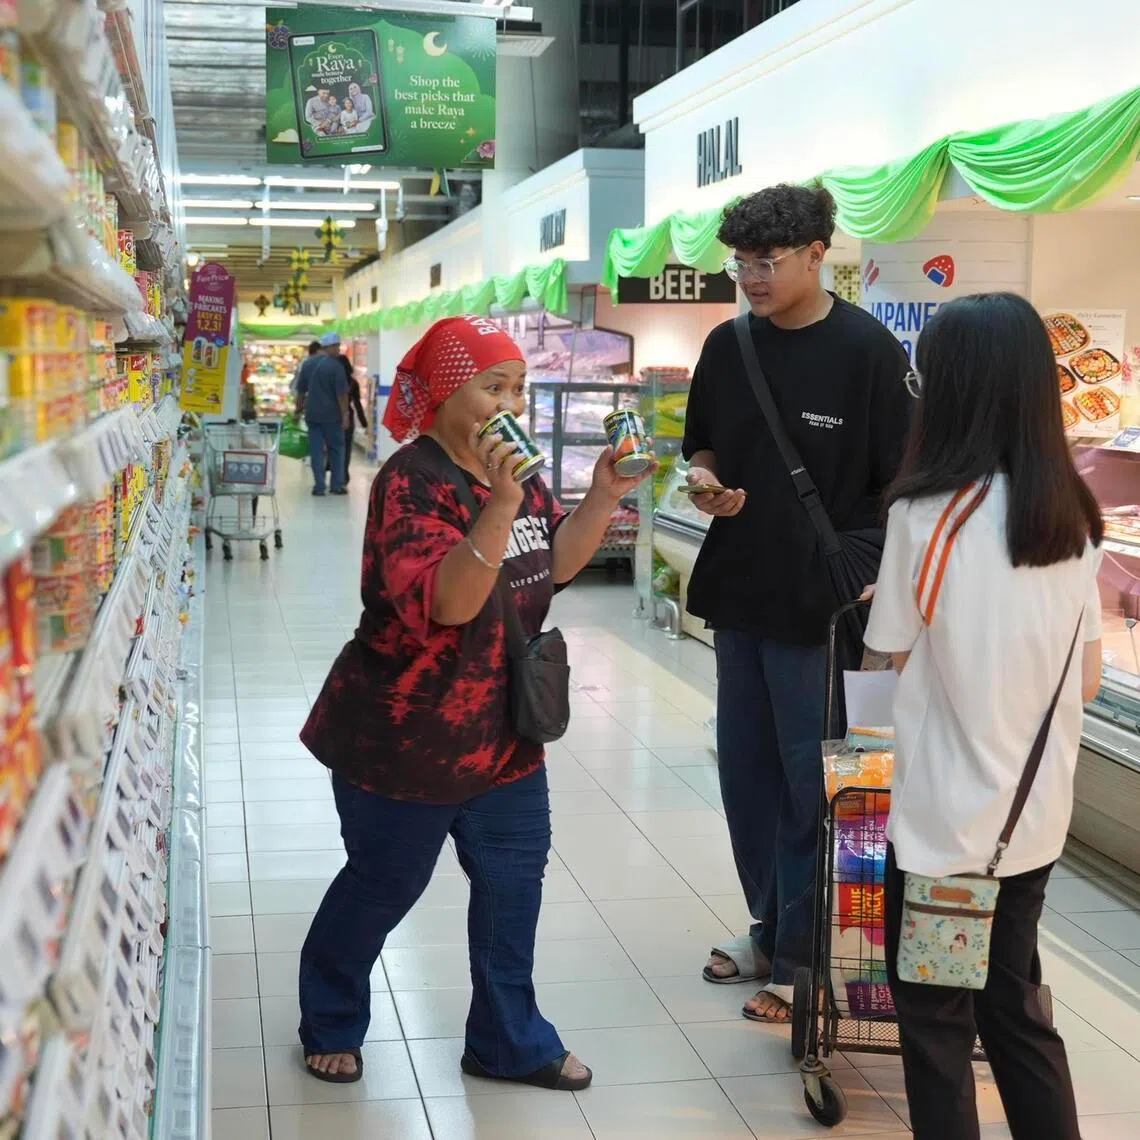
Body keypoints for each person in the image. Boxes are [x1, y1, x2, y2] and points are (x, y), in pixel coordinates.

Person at [296, 315, 653, 1088]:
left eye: (516, 387)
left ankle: (506, 1039)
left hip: (506, 731)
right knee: (384, 882)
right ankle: (329, 1016)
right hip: (407, 734)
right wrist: (498, 503)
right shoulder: (410, 479)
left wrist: (601, 496)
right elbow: (451, 605)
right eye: (492, 386)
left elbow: (553, 563)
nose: (509, 404)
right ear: (447, 392)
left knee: (512, 884)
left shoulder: (513, 472)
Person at [865, 292, 1103, 1140]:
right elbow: (1084, 682)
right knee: (1017, 1012)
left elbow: (886, 647)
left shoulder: (925, 513)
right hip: (1032, 822)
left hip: (943, 834)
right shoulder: (1073, 515)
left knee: (935, 1028)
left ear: (949, 390)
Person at [682, 183, 912, 1022]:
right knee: (746, 778)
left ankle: (808, 957)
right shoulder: (727, 344)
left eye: (766, 262)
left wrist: (870, 576)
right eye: (740, 262)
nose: (750, 276)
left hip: (823, 609)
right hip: (740, 591)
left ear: (819, 254)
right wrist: (704, 480)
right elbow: (702, 440)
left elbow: (904, 485)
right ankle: (768, 923)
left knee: (814, 783)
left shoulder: (868, 353)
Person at [296, 331, 348, 496]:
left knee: (316, 450)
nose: (339, 350)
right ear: (330, 347)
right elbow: (342, 395)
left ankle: (319, 486)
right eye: (337, 346)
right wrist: (345, 415)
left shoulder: (308, 364)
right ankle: (336, 485)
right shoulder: (336, 366)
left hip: (312, 415)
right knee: (337, 449)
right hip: (332, 416)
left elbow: (300, 392)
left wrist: (298, 409)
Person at [326, 353, 368, 484]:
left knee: (333, 447)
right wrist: (364, 422)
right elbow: (357, 404)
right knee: (346, 447)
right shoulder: (352, 383)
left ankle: (334, 470)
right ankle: (343, 473)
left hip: (332, 417)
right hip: (347, 417)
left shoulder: (331, 381)